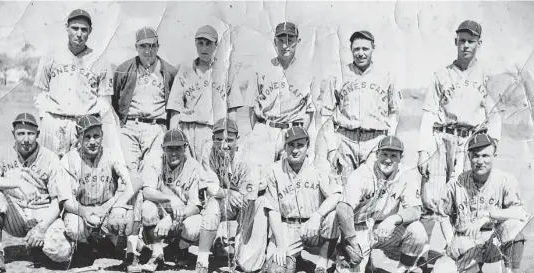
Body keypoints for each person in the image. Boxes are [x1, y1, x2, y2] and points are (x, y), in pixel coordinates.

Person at [416, 20, 502, 266]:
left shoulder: (486, 77)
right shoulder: (441, 75)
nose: (466, 45)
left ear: (479, 44)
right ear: (455, 42)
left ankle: (456, 251)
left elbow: (495, 114)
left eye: (471, 41)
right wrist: (423, 151)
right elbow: (429, 113)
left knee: (462, 198)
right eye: (462, 40)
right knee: (430, 199)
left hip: (470, 142)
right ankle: (420, 254)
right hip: (441, 138)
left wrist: (491, 145)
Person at [333, 136, 427, 273]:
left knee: (418, 232)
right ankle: (344, 250)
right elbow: (343, 209)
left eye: (394, 155)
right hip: (359, 227)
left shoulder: (407, 174)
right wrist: (351, 240)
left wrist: (394, 219)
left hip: (387, 227)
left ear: (401, 157)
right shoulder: (362, 174)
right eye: (384, 154)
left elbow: (416, 211)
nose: (388, 159)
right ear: (377, 155)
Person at [427, 133, 529, 273]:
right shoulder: (456, 183)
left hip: (493, 242)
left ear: (494, 156)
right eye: (475, 155)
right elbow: (443, 214)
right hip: (464, 243)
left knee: (514, 227)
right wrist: (450, 240)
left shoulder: (505, 180)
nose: (480, 160)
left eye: (485, 155)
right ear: (469, 157)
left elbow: (520, 212)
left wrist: (488, 215)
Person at [0, 113, 74, 273]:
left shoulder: (50, 158)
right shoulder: (1, 152)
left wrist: (42, 229)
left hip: (41, 213)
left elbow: (58, 201)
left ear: (37, 134)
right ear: (13, 134)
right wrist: (18, 183)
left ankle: (37, 248)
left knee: (62, 252)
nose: (26, 139)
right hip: (14, 213)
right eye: (20, 133)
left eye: (30, 133)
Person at [314, 30, 402, 187]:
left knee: (372, 188)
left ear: (373, 48)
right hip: (346, 140)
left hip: (375, 140)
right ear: (351, 50)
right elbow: (326, 113)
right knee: (343, 188)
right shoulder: (339, 75)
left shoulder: (386, 76)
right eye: (356, 49)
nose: (361, 53)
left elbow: (395, 111)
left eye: (365, 49)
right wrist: (333, 147)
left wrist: (388, 138)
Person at [261, 127, 341, 273]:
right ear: (285, 147)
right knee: (274, 270)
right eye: (291, 145)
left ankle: (321, 267)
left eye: (300, 145)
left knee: (333, 216)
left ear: (307, 146)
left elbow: (337, 195)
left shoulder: (319, 168)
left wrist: (317, 216)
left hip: (313, 226)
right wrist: (281, 245)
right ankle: (295, 256)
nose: (295, 150)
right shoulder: (274, 170)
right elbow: (273, 211)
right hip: (288, 226)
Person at [33, 9, 117, 158]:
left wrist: (92, 125)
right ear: (67, 27)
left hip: (83, 123)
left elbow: (105, 100)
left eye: (84, 29)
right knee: (51, 169)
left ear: (90, 31)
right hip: (54, 121)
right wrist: (44, 120)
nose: (79, 34)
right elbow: (40, 92)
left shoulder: (100, 60)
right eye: (75, 28)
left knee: (79, 171)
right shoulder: (51, 56)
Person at [198, 118, 267, 273]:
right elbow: (210, 187)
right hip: (228, 196)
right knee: (212, 206)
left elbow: (248, 198)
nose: (223, 144)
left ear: (238, 139)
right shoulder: (208, 150)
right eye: (219, 139)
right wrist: (228, 193)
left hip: (253, 201)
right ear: (212, 138)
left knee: (248, 265)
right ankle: (202, 262)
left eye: (229, 140)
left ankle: (249, 251)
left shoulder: (248, 157)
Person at [124, 130, 203, 273]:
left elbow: (196, 205)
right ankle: (157, 253)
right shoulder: (155, 160)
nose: (174, 153)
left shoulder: (194, 166)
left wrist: (171, 219)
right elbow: (147, 190)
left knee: (195, 225)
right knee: (147, 208)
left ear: (185, 148)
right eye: (170, 148)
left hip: (181, 216)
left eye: (178, 148)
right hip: (160, 217)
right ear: (163, 148)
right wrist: (171, 198)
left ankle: (181, 249)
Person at [59, 115, 135, 254]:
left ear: (102, 135)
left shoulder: (112, 154)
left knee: (127, 213)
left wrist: (112, 206)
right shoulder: (69, 159)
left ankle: (115, 245)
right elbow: (66, 200)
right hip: (82, 210)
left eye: (96, 136)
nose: (92, 141)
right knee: (75, 228)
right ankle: (84, 246)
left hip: (108, 207)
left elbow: (131, 184)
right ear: (78, 137)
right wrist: (84, 212)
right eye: (87, 136)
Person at [246, 22, 316, 167]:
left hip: (292, 131)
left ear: (298, 41)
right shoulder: (260, 68)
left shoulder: (307, 72)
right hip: (266, 129)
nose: (285, 45)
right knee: (261, 181)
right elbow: (251, 108)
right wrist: (260, 132)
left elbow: (310, 110)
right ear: (275, 41)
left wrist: (300, 132)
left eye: (290, 40)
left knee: (289, 181)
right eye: (281, 40)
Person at [167, 25, 243, 159]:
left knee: (211, 174)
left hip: (214, 131)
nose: (204, 48)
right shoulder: (186, 69)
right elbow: (175, 108)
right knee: (190, 171)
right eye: (200, 43)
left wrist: (232, 137)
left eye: (208, 44)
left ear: (216, 45)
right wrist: (173, 136)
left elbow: (232, 108)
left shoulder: (226, 71)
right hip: (188, 130)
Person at [112, 26, 178, 173]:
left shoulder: (169, 71)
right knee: (128, 172)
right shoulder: (124, 69)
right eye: (143, 46)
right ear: (136, 47)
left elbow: (174, 105)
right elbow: (115, 100)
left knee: (153, 172)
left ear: (158, 47)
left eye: (152, 46)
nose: (148, 51)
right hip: (130, 126)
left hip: (157, 127)